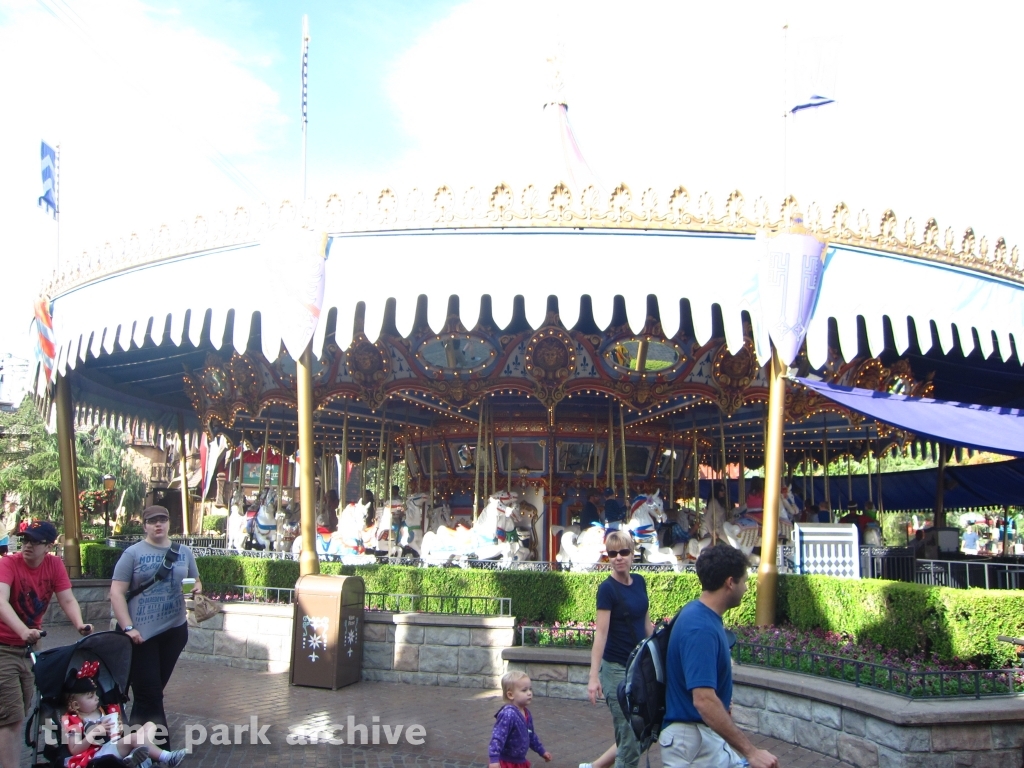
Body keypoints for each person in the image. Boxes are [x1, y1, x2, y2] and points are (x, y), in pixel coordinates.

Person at [661, 545, 778, 768]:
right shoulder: (700, 628)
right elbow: (704, 700)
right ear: (730, 582)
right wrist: (751, 752)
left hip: (700, 741)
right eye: (744, 581)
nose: (746, 588)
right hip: (695, 744)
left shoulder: (699, 615)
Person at [0, 520, 93, 768]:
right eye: (25, 540)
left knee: (17, 713)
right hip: (3, 647)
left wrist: (79, 624)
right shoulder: (8, 563)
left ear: (49, 546)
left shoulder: (54, 565)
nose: (27, 545)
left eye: (34, 541)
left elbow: (67, 599)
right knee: (10, 718)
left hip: (30, 650)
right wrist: (23, 631)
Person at [109, 506, 201, 748]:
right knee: (149, 693)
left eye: (162, 520)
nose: (158, 525)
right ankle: (162, 752)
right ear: (145, 526)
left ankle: (132, 748)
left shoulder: (184, 552)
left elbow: (195, 580)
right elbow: (116, 593)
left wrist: (196, 588)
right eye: (152, 521)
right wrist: (128, 627)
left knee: (149, 694)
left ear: (169, 523)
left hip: (174, 631)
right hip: (141, 635)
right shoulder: (132, 554)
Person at [582, 530, 652, 768]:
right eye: (613, 553)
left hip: (639, 669)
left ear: (632, 554)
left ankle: (594, 767)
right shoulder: (607, 589)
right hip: (616, 670)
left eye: (623, 552)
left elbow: (646, 625)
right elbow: (601, 634)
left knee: (642, 732)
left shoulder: (640, 582)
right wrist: (593, 677)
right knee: (629, 739)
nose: (619, 557)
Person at [60, 661, 187, 768]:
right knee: (133, 738)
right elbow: (74, 749)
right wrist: (95, 731)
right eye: (90, 697)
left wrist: (118, 728)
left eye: (95, 694)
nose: (97, 698)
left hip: (112, 745)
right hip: (95, 756)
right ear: (76, 705)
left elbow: (114, 736)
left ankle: (134, 757)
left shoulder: (102, 711)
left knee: (150, 725)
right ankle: (167, 757)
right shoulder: (73, 720)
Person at [487, 670, 552, 768]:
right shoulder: (508, 714)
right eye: (524, 690)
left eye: (530, 689)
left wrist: (541, 751)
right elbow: (497, 738)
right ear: (510, 695)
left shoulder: (526, 713)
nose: (529, 693)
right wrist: (494, 759)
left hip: (519, 762)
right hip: (506, 762)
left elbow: (531, 735)